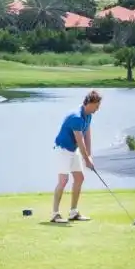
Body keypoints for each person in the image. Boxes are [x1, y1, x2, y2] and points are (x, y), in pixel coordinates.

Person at [50, 90, 102, 223]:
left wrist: (89, 156)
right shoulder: (76, 117)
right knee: (63, 180)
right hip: (62, 149)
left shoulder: (88, 115)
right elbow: (80, 140)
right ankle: (54, 214)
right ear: (90, 103)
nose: (98, 109)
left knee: (79, 178)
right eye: (96, 106)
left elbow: (87, 135)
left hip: (73, 150)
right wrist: (86, 160)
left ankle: (73, 212)